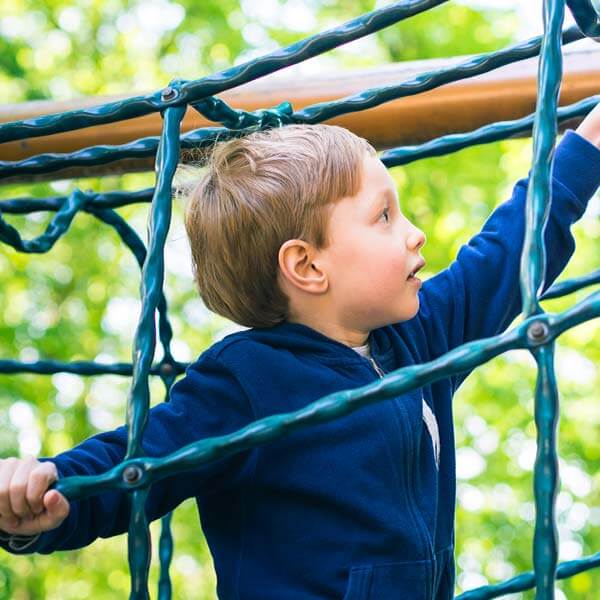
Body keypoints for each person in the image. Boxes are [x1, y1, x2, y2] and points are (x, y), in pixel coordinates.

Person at [1, 108, 600, 599]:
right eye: (384, 217)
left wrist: (586, 147)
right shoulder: (246, 382)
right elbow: (138, 462)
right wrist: (54, 497)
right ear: (308, 266)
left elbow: (503, 257)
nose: (414, 233)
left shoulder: (418, 341)